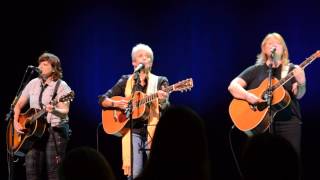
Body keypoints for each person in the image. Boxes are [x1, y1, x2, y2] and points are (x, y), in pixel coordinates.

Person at [98, 43, 170, 179]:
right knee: (134, 174)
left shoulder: (160, 81)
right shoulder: (126, 80)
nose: (144, 59)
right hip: (132, 131)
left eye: (148, 57)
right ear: (134, 62)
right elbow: (102, 99)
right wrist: (117, 104)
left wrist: (161, 100)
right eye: (140, 56)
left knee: (156, 171)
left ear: (151, 62)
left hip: (154, 130)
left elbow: (166, 107)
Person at [228, 32, 306, 155]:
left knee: (289, 162)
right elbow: (233, 86)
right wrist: (248, 96)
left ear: (284, 49)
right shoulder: (255, 70)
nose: (273, 45)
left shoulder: (292, 70)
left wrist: (302, 83)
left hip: (288, 124)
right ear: (263, 49)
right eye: (270, 43)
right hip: (261, 125)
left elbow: (299, 94)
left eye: (277, 43)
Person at [13, 52, 73, 180]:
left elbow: (64, 111)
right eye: (39, 63)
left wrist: (54, 110)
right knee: (31, 170)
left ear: (54, 68)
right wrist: (15, 121)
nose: (40, 66)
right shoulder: (33, 82)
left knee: (54, 172)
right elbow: (17, 105)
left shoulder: (62, 86)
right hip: (34, 132)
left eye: (45, 64)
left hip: (55, 130)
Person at [136, 105, 211, 180]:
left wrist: (162, 101)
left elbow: (164, 104)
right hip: (133, 129)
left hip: (152, 125)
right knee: (135, 169)